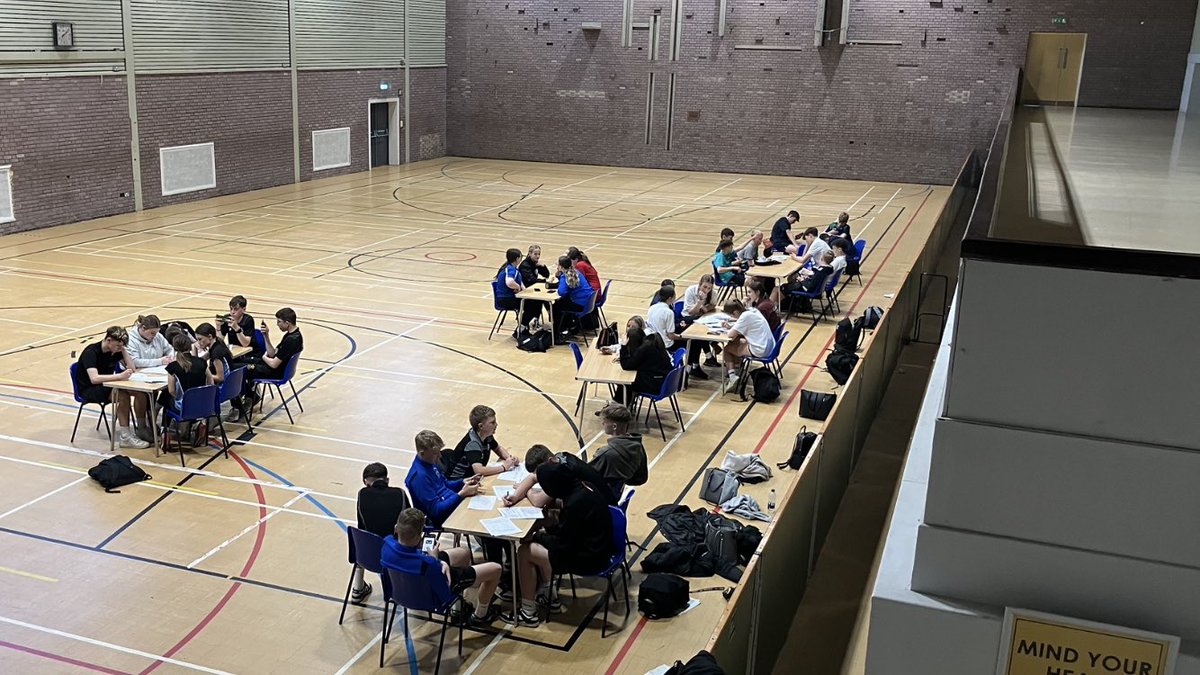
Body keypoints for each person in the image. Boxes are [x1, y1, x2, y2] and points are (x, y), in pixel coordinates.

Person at [504, 464, 614, 626]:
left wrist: (536, 536)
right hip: (599, 546)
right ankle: (549, 595)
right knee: (549, 519)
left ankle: (528, 612)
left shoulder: (575, 504)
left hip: (589, 559)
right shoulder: (584, 487)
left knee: (525, 551)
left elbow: (562, 545)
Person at [382, 508, 503, 627]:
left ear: (396, 529)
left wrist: (438, 561)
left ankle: (458, 609)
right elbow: (445, 596)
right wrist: (435, 560)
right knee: (496, 569)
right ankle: (480, 615)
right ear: (420, 536)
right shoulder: (429, 564)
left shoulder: (385, 546)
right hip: (429, 596)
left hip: (399, 592)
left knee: (464, 552)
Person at [75, 326, 147, 449]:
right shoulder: (91, 352)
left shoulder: (115, 351)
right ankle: (125, 437)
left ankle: (141, 428)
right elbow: (94, 379)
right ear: (108, 340)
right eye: (118, 346)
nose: (119, 349)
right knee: (122, 396)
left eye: (121, 346)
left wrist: (124, 351)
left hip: (107, 385)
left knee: (141, 393)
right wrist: (119, 376)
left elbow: (132, 369)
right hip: (89, 389)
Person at [350, 462, 412, 603]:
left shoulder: (362, 494)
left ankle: (358, 588)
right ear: (387, 480)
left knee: (362, 539)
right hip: (394, 555)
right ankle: (397, 589)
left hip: (366, 556)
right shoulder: (400, 494)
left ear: (365, 482)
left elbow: (362, 526)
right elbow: (410, 526)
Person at [405, 429, 481, 528]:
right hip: (440, 518)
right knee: (478, 516)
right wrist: (461, 495)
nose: (440, 456)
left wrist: (463, 482)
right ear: (422, 453)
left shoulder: (431, 463)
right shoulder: (419, 478)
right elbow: (436, 511)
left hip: (451, 502)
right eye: (435, 453)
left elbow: (445, 484)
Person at [502, 444, 616, 507]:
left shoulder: (563, 472)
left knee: (549, 510)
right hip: (598, 502)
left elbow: (538, 502)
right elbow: (532, 477)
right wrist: (516, 496)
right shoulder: (560, 458)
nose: (540, 475)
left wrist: (527, 491)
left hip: (603, 511)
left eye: (539, 471)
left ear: (550, 460)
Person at [241, 308, 303, 410]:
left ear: (287, 323)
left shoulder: (292, 340)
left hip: (276, 372)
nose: (277, 324)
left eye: (279, 322)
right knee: (245, 360)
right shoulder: (290, 335)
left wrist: (263, 357)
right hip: (274, 367)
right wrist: (266, 336)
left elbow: (274, 364)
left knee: (241, 369)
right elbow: (273, 353)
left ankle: (249, 397)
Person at [125, 314, 174, 442]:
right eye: (152, 333)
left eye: (156, 333)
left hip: (156, 374)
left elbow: (170, 349)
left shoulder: (157, 336)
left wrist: (171, 357)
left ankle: (155, 419)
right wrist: (160, 361)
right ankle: (141, 426)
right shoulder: (131, 340)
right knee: (142, 394)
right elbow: (135, 362)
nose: (154, 336)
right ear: (142, 328)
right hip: (136, 377)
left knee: (171, 387)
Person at [443, 405, 521, 480]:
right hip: (457, 481)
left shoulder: (486, 435)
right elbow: (479, 470)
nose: (496, 424)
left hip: (472, 478)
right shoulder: (472, 443)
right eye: (492, 422)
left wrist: (510, 459)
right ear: (481, 426)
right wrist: (503, 467)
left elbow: (498, 448)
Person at [589, 405, 647, 498]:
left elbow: (586, 474)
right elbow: (640, 478)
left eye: (604, 421)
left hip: (600, 499)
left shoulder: (606, 453)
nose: (602, 423)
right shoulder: (637, 446)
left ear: (614, 426)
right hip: (616, 495)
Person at [160, 333, 212, 434]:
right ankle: (196, 423)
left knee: (166, 397)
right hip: (203, 404)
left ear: (175, 348)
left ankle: (164, 431)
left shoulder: (173, 366)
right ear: (190, 346)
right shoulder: (202, 362)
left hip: (185, 407)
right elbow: (210, 383)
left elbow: (171, 390)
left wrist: (180, 397)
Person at [721, 299, 776, 389]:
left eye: (732, 315)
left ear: (735, 312)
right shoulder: (753, 310)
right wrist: (732, 326)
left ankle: (732, 376)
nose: (732, 317)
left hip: (761, 350)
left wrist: (731, 328)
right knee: (738, 341)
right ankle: (737, 367)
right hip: (770, 346)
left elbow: (730, 335)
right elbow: (745, 327)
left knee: (727, 349)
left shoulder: (745, 317)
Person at [617, 320, 672, 404]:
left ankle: (617, 410)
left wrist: (624, 347)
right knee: (628, 380)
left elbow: (626, 366)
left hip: (656, 384)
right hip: (663, 380)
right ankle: (620, 407)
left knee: (625, 382)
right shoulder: (650, 342)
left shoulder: (644, 349)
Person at [681, 275, 720, 377]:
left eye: (709, 288)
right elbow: (690, 312)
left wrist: (706, 308)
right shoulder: (691, 290)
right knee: (698, 333)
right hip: (687, 319)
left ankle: (695, 366)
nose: (706, 290)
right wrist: (700, 302)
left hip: (702, 318)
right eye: (704, 287)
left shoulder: (713, 294)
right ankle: (708, 353)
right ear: (699, 285)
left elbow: (713, 305)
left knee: (698, 336)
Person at [552, 256, 595, 338]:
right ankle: (568, 327)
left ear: (561, 267)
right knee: (562, 303)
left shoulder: (566, 276)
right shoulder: (576, 272)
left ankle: (557, 332)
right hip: (588, 302)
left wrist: (560, 277)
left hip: (580, 305)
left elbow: (561, 292)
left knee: (556, 307)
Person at [495, 248, 537, 326]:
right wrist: (518, 287)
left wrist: (524, 290)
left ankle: (525, 325)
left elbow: (520, 283)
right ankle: (522, 327)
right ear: (517, 258)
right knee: (533, 304)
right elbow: (510, 282)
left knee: (533, 302)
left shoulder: (511, 268)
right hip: (506, 299)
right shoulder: (511, 270)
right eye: (521, 257)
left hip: (507, 298)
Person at [646, 285, 680, 350]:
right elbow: (670, 335)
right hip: (666, 345)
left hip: (653, 343)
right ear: (670, 298)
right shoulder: (669, 312)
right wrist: (682, 337)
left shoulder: (652, 308)